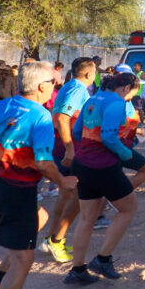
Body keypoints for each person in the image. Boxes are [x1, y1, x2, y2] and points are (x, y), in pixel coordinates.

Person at [0, 61, 78, 289]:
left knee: (40, 216)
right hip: (16, 190)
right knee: (24, 259)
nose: (56, 86)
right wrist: (63, 181)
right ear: (42, 86)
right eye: (54, 83)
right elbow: (44, 163)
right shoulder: (41, 116)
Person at [63, 72, 142, 285]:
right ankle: (103, 259)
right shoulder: (116, 102)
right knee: (128, 208)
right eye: (132, 95)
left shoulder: (92, 98)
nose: (130, 99)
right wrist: (125, 155)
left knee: (87, 218)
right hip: (103, 165)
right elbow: (108, 136)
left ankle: (77, 269)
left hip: (83, 163)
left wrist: (89, 148)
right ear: (125, 88)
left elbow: (78, 131)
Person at [41, 57, 96, 264]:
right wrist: (70, 149)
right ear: (90, 74)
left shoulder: (70, 86)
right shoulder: (77, 89)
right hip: (67, 147)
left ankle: (51, 238)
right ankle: (57, 239)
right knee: (75, 196)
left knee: (66, 195)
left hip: (63, 145)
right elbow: (64, 118)